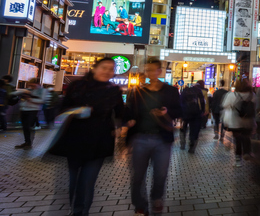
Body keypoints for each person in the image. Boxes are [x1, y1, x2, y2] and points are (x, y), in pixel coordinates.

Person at [49, 58, 124, 216]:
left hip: (100, 141)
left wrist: (128, 122)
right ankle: (75, 210)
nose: (107, 71)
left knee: (87, 182)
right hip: (75, 139)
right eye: (104, 67)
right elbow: (62, 109)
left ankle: (81, 213)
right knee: (74, 181)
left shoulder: (114, 90)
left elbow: (121, 112)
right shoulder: (77, 86)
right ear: (94, 68)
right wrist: (77, 111)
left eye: (111, 69)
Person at [125, 59, 182, 216]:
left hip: (162, 139)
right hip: (140, 138)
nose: (150, 73)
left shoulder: (171, 90)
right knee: (137, 176)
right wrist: (129, 121)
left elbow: (179, 111)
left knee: (160, 174)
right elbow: (129, 111)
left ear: (159, 71)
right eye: (147, 70)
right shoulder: (138, 91)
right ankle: (140, 206)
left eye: (153, 70)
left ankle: (157, 198)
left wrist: (166, 113)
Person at [222, 79, 255, 166]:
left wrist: (225, 121)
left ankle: (238, 160)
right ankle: (247, 152)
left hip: (235, 122)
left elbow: (225, 106)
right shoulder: (252, 95)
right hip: (248, 122)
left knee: (238, 140)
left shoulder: (231, 95)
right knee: (246, 137)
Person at [13, 78, 48, 149]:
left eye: (33, 86)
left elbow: (42, 101)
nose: (32, 87)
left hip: (33, 110)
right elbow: (16, 93)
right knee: (25, 127)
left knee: (29, 126)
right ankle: (26, 142)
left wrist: (30, 99)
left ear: (38, 84)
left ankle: (29, 143)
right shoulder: (28, 90)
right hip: (24, 109)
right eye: (30, 85)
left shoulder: (43, 91)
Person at [179, 80, 208, 153]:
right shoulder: (199, 91)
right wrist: (202, 111)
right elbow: (202, 102)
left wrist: (180, 114)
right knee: (194, 129)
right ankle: (192, 144)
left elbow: (180, 102)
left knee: (183, 128)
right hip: (196, 113)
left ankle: (182, 143)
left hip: (185, 113)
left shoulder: (185, 91)